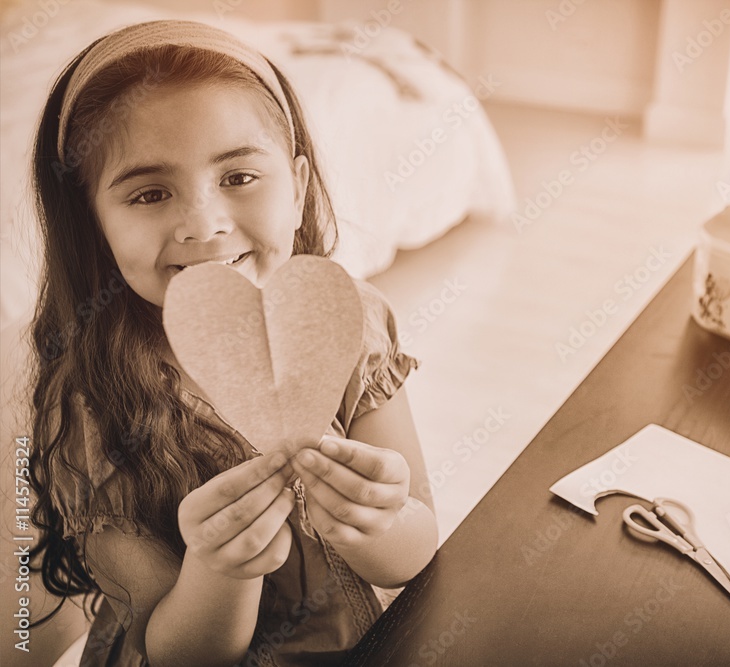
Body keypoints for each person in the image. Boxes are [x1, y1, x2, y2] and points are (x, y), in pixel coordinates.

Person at [27, 20, 438, 666]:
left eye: (240, 177)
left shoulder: (349, 321)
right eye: (151, 193)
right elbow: (179, 651)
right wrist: (222, 569)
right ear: (93, 225)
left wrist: (382, 519)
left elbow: (417, 548)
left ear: (298, 189)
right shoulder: (89, 403)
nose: (205, 223)